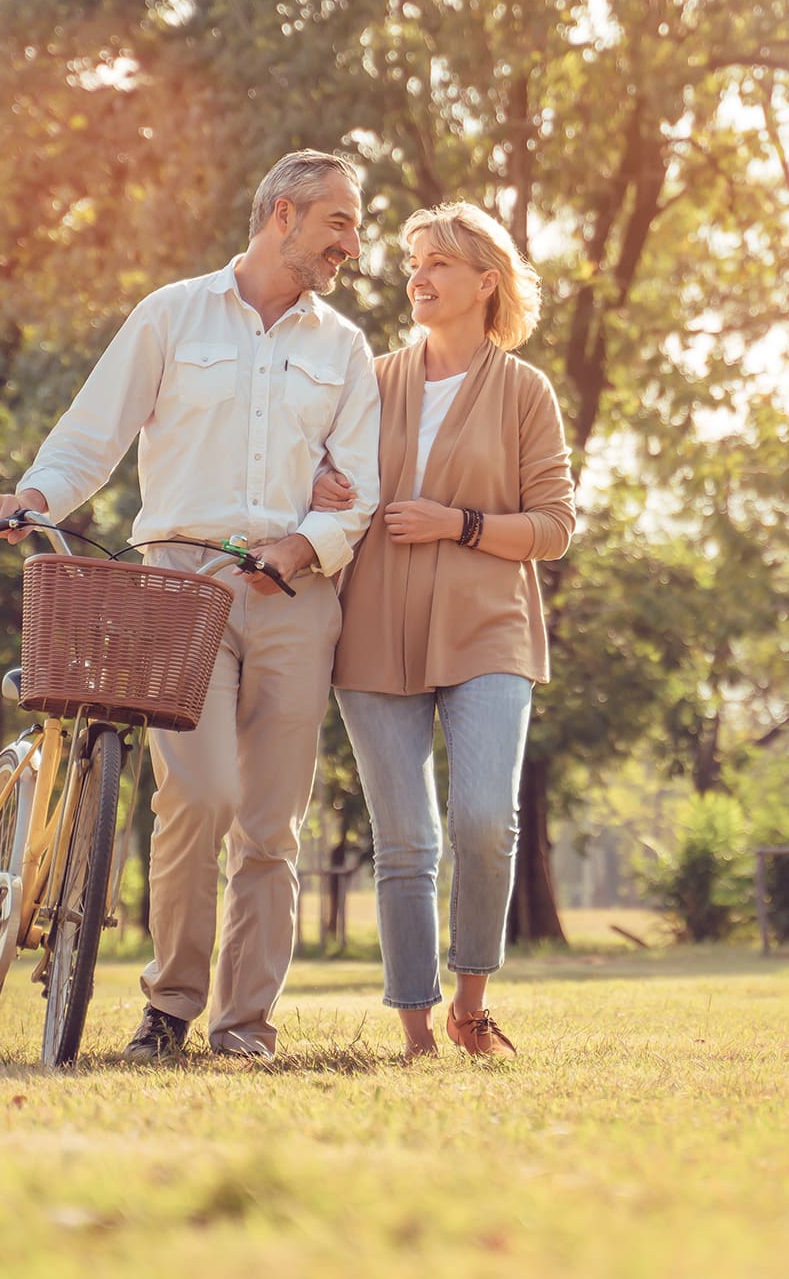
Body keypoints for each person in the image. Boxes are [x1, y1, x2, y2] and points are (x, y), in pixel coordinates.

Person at [0, 150, 380, 1063]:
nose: (353, 243)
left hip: (295, 596)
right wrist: (36, 497)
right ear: (282, 214)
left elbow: (359, 490)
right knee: (199, 794)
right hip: (178, 591)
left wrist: (302, 545)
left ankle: (244, 1025)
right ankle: (169, 1008)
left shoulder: (344, 348)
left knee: (271, 824)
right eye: (340, 222)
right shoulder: (172, 314)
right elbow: (94, 432)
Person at [315, 201, 575, 1058]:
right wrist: (318, 489)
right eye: (414, 262)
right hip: (374, 629)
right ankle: (417, 1032)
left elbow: (553, 527)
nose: (417, 277)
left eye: (439, 264)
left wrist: (458, 524)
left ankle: (473, 1002)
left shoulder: (525, 391)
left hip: (488, 630)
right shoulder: (370, 376)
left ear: (485, 283)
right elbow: (319, 473)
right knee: (407, 840)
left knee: (483, 821)